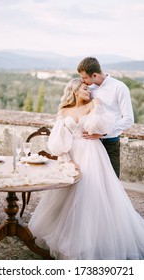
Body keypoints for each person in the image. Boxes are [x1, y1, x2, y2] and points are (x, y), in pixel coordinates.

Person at [28, 78, 144, 260]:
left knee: (90, 192)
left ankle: (93, 239)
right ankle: (67, 234)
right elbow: (58, 139)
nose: (89, 91)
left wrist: (97, 107)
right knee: (67, 193)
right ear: (75, 91)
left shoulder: (92, 105)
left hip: (92, 152)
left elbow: (98, 127)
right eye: (84, 88)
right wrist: (66, 159)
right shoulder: (63, 110)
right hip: (73, 154)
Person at [77, 57, 134, 178]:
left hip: (110, 143)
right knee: (91, 181)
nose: (81, 80)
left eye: (84, 77)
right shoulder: (88, 89)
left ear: (94, 75)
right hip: (89, 144)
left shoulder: (119, 87)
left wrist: (103, 133)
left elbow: (129, 119)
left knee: (112, 181)